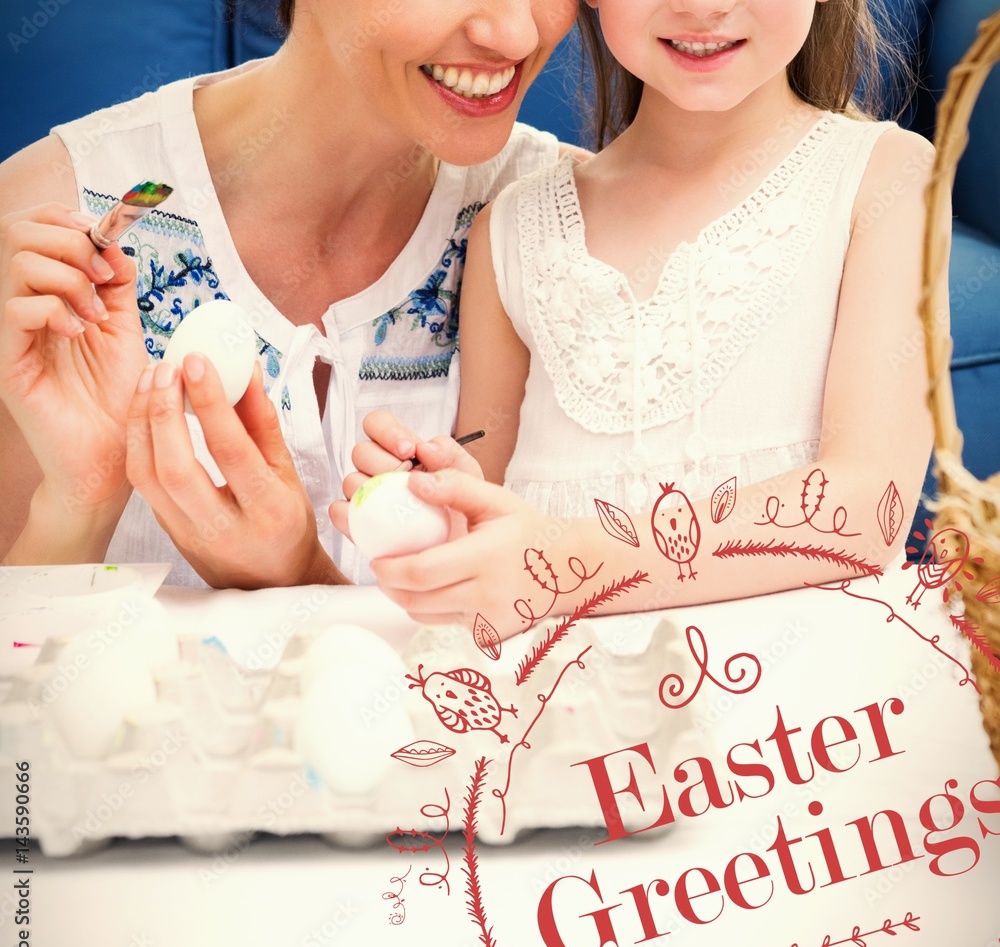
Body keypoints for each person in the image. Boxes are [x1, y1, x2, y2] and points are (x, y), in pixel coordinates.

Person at [333, 0, 946, 638]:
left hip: (794, 720)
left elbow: (867, 512)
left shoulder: (885, 177)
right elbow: (492, 507)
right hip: (570, 712)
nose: (703, 7)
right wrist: (444, 506)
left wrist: (554, 565)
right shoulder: (512, 230)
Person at [0, 0, 579, 587]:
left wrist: (298, 576)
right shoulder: (40, 232)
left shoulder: (576, 231)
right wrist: (81, 505)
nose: (516, 32)